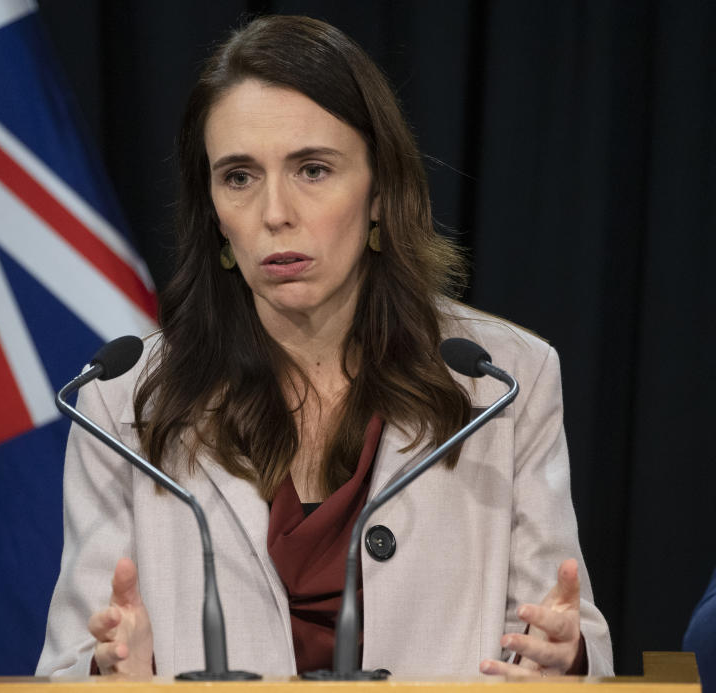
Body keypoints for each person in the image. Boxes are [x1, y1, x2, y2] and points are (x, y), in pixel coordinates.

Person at [36, 15, 613, 679]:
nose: (275, 211)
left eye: (312, 169)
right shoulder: (122, 402)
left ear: (378, 193)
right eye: (240, 176)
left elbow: (565, 633)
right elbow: (66, 665)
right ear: (214, 213)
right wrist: (111, 671)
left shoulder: (503, 380)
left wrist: (563, 658)